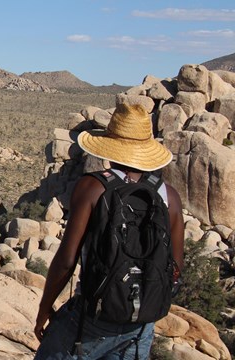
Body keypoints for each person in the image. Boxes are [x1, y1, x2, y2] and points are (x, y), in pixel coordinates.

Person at [33, 103, 184, 359]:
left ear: (110, 146)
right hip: (141, 325)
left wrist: (45, 308)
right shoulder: (169, 196)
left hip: (91, 320)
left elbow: (66, 260)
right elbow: (175, 267)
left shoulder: (92, 187)